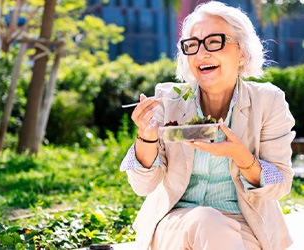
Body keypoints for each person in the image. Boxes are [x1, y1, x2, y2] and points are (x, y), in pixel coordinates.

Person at [120, 1, 296, 250]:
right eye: (192, 45)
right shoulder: (170, 101)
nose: (202, 54)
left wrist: (240, 156)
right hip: (175, 222)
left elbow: (279, 185)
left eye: (215, 42)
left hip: (244, 225)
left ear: (242, 52)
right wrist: (146, 138)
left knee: (215, 231)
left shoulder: (268, 101)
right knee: (205, 221)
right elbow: (143, 186)